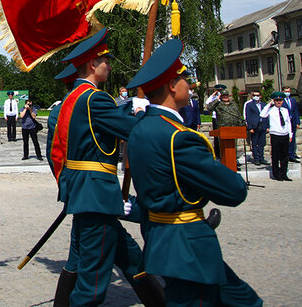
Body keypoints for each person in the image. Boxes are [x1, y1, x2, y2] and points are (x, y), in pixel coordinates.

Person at [126, 39, 261, 306]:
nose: (191, 86)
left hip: (162, 238)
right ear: (172, 86)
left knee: (243, 300)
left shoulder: (140, 129)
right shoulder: (179, 137)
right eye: (186, 80)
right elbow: (233, 191)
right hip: (187, 246)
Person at [46, 28, 162, 306]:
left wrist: (132, 106)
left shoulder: (74, 99)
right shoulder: (94, 98)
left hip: (87, 194)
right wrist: (148, 110)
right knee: (94, 280)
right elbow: (133, 129)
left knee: (131, 257)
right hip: (97, 195)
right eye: (105, 61)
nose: (109, 66)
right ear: (91, 65)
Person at [205, 88, 245, 165]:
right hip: (223, 129)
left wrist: (241, 125)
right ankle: (224, 162)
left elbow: (238, 114)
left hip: (234, 129)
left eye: (226, 95)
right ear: (221, 96)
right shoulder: (218, 105)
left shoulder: (234, 104)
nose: (225, 97)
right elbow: (209, 107)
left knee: (234, 147)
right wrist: (217, 99)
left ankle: (233, 162)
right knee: (224, 148)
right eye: (223, 96)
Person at [261, 92, 293, 181]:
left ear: (283, 101)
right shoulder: (271, 110)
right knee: (276, 155)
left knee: (284, 156)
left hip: (285, 134)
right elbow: (262, 114)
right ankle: (276, 174)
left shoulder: (285, 110)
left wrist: (290, 134)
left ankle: (284, 174)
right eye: (276, 100)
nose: (279, 102)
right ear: (274, 101)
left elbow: (288, 123)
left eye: (280, 100)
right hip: (275, 135)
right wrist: (269, 104)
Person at [244, 91, 269, 165]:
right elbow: (248, 116)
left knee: (262, 143)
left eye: (257, 95)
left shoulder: (264, 104)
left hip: (263, 125)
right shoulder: (249, 105)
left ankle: (261, 158)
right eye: (254, 95)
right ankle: (256, 158)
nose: (256, 97)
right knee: (254, 143)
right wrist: (250, 127)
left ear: (260, 96)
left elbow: (267, 116)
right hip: (254, 126)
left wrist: (268, 126)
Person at [282, 86, 301, 163]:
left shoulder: (292, 100)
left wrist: (297, 122)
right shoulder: (281, 101)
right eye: (286, 91)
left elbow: (296, 111)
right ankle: (286, 154)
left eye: (289, 91)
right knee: (286, 139)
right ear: (283, 92)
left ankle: (292, 154)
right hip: (285, 123)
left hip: (292, 122)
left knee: (292, 139)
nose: (288, 93)